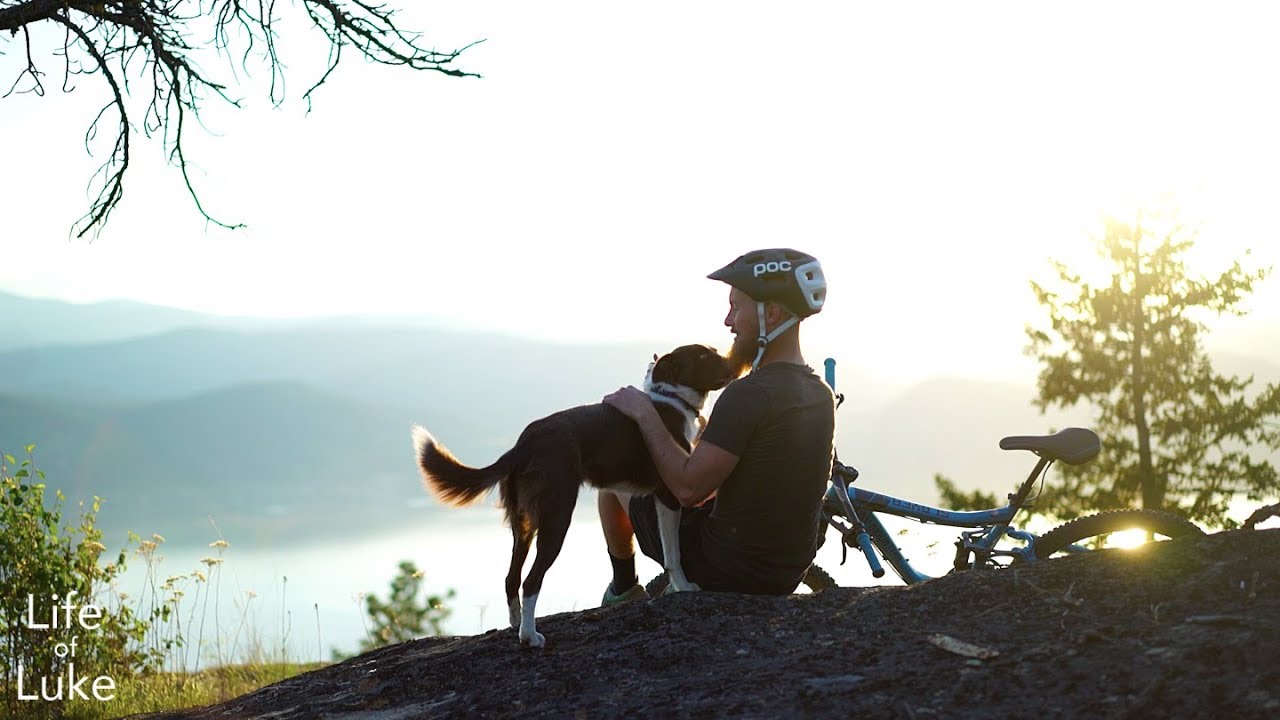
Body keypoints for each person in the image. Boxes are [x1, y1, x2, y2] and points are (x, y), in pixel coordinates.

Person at [598, 248, 836, 602]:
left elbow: (687, 490)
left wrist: (644, 413)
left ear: (771, 314)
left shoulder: (748, 394)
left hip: (723, 571)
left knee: (612, 481)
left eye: (736, 308)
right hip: (786, 573)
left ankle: (623, 591)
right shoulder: (820, 393)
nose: (728, 322)